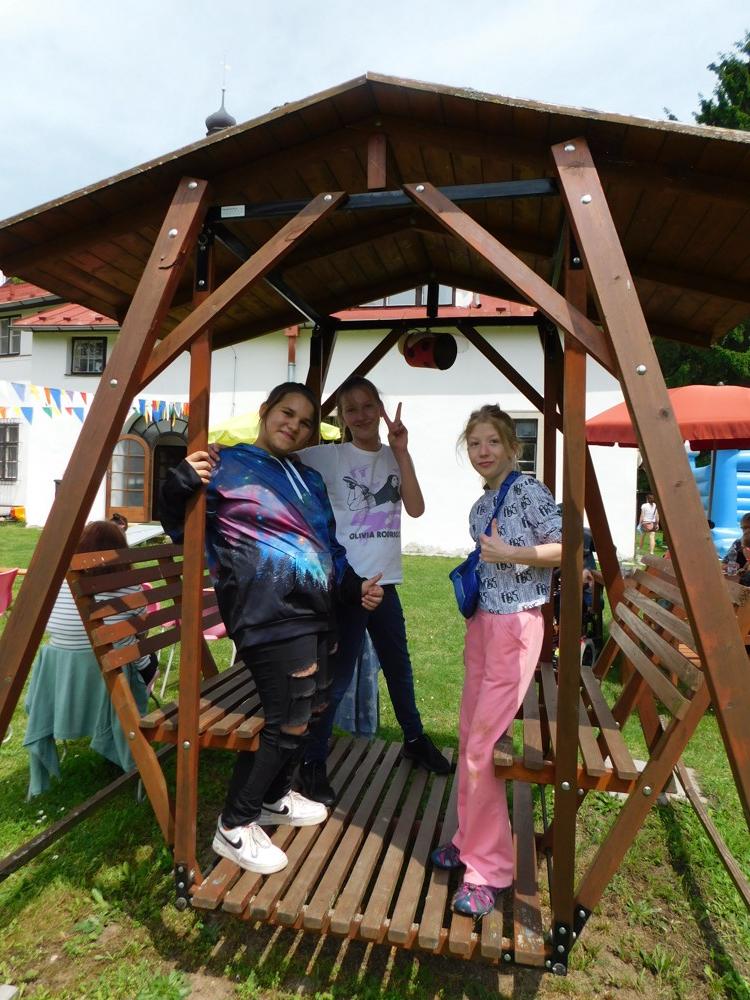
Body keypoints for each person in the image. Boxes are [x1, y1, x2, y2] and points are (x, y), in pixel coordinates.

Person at [160, 382, 384, 875]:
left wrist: (354, 588)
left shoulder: (309, 479)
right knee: (290, 718)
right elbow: (177, 524)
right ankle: (234, 824)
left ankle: (274, 797)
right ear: (265, 411)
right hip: (266, 613)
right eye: (287, 413)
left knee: (316, 706)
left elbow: (330, 549)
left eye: (305, 422)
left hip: (315, 613)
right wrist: (180, 481)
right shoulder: (224, 464)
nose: (294, 426)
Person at [430, 405, 561, 919]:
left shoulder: (529, 491)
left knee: (483, 748)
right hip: (484, 625)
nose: (483, 451)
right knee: (469, 739)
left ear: (512, 447)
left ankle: (488, 871)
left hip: (515, 628)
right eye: (474, 443)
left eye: (492, 442)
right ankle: (469, 840)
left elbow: (566, 545)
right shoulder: (482, 503)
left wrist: (512, 554)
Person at [296, 375, 450, 806]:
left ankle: (414, 739)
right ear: (342, 417)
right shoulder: (329, 456)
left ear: (381, 410)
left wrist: (402, 451)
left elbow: (416, 508)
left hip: (386, 584)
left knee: (399, 667)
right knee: (338, 677)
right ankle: (311, 760)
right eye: (352, 409)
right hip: (349, 587)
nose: (361, 415)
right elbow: (278, 452)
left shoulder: (393, 456)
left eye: (368, 406)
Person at [721, 512, 750, 583]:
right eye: (744, 528)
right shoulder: (738, 543)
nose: (747, 531)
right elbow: (723, 564)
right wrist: (728, 566)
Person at [637, 493, 659, 557]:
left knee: (642, 535)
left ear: (647, 499)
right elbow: (657, 516)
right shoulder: (655, 505)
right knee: (652, 537)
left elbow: (642, 515)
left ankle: (640, 548)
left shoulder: (644, 505)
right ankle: (651, 552)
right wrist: (657, 524)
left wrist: (639, 524)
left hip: (645, 523)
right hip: (653, 523)